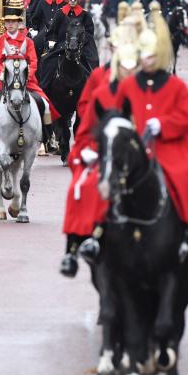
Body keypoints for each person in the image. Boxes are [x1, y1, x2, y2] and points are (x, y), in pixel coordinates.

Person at [115, 28, 188, 263]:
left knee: (187, 176)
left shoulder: (176, 86)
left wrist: (163, 124)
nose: (146, 61)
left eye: (151, 56)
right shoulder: (129, 85)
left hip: (170, 147)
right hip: (136, 148)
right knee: (105, 178)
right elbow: (117, 113)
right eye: (143, 56)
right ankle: (95, 234)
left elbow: (187, 115)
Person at [59, 42, 140, 277]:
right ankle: (73, 247)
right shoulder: (100, 79)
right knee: (81, 186)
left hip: (139, 142)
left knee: (181, 177)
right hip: (102, 142)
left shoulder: (148, 79)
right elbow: (86, 107)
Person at [0, 0, 57, 152]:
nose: (10, 25)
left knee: (46, 104)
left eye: (13, 22)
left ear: (18, 23)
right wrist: (0, 73)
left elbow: (33, 62)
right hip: (0, 81)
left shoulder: (28, 42)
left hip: (25, 82)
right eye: (7, 22)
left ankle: (50, 140)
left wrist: (25, 77)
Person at [39, 0, 99, 90]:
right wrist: (52, 41)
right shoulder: (60, 13)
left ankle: (93, 91)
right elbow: (52, 31)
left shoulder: (85, 15)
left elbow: (89, 33)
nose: (72, 2)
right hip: (61, 47)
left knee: (92, 65)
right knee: (48, 62)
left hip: (80, 48)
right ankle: (44, 92)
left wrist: (79, 42)